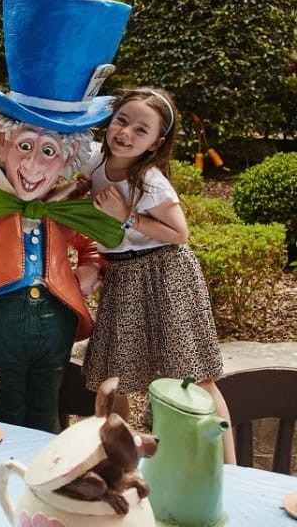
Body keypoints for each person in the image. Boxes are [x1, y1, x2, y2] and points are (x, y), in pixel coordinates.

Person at [0, 0, 132, 433]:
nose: (32, 166)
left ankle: (47, 469)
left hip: (56, 320)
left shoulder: (67, 209)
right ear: (2, 144)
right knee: (3, 411)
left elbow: (92, 244)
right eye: (25, 146)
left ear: (67, 159)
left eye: (48, 151)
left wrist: (90, 270)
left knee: (46, 409)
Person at [81, 87, 237, 463]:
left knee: (192, 374)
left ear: (155, 143)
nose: (126, 133)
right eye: (121, 121)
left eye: (141, 130)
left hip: (166, 273)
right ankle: (116, 465)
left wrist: (127, 217)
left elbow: (179, 233)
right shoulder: (93, 159)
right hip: (123, 276)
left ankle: (232, 470)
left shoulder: (149, 181)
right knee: (114, 375)